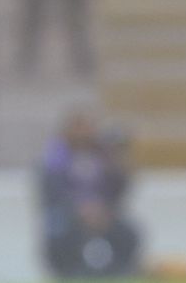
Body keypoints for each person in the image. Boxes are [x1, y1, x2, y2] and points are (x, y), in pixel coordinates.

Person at [40, 111, 140, 278]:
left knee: (129, 232)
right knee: (59, 229)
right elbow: (53, 190)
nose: (83, 133)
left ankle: (120, 270)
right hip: (68, 212)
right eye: (78, 127)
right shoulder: (57, 156)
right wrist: (78, 210)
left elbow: (117, 189)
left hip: (103, 211)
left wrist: (103, 208)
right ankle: (67, 271)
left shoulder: (102, 155)